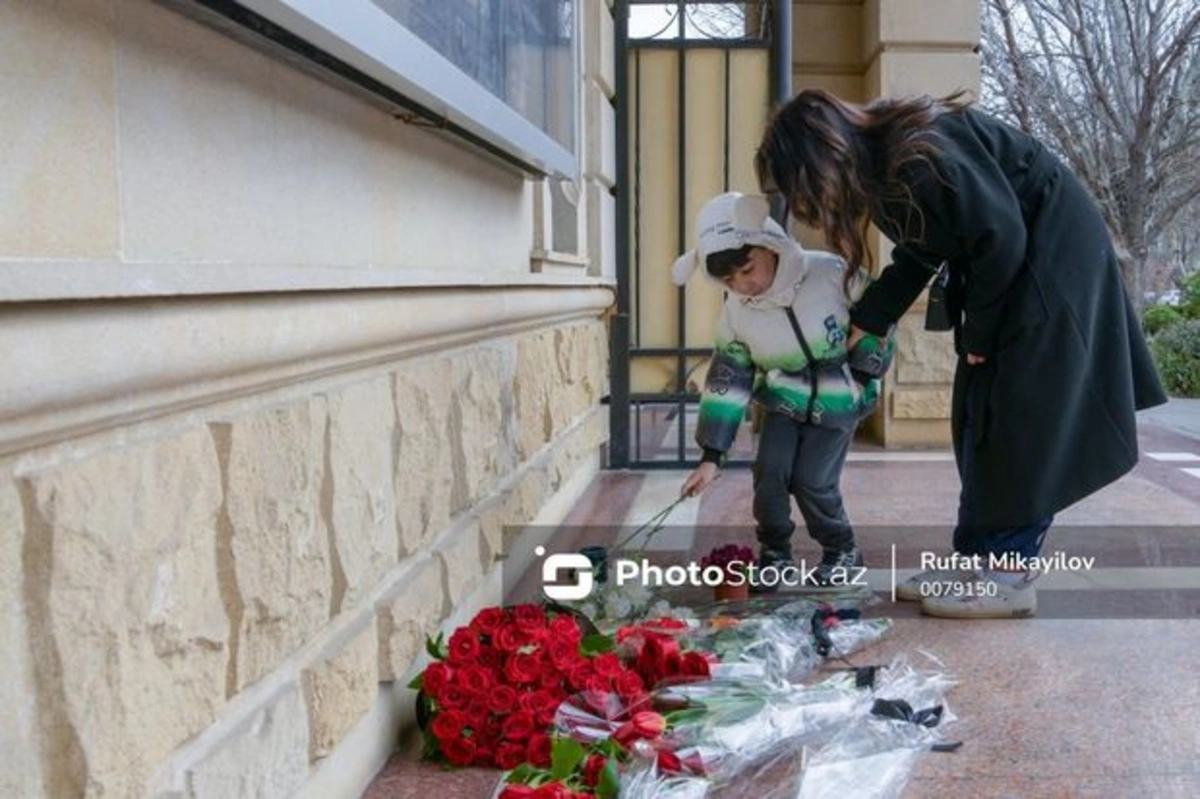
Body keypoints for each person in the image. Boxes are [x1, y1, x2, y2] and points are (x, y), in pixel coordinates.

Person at [754, 90, 1167, 617]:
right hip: (1014, 266)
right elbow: (924, 248)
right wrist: (870, 317)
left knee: (1020, 425)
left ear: (824, 154)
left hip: (1050, 265)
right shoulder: (886, 168)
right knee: (977, 417)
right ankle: (976, 558)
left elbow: (1002, 238)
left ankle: (1009, 575)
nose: (815, 201)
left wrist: (979, 339)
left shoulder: (921, 152)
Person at [674, 191, 895, 592]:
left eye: (747, 269)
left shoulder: (829, 272)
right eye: (729, 281)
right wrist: (711, 455)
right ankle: (775, 554)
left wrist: (863, 373)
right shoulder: (736, 312)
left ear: (769, 245)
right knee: (770, 474)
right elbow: (729, 376)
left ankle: (841, 550)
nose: (744, 286)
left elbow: (879, 314)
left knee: (813, 480)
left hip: (838, 397)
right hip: (783, 398)